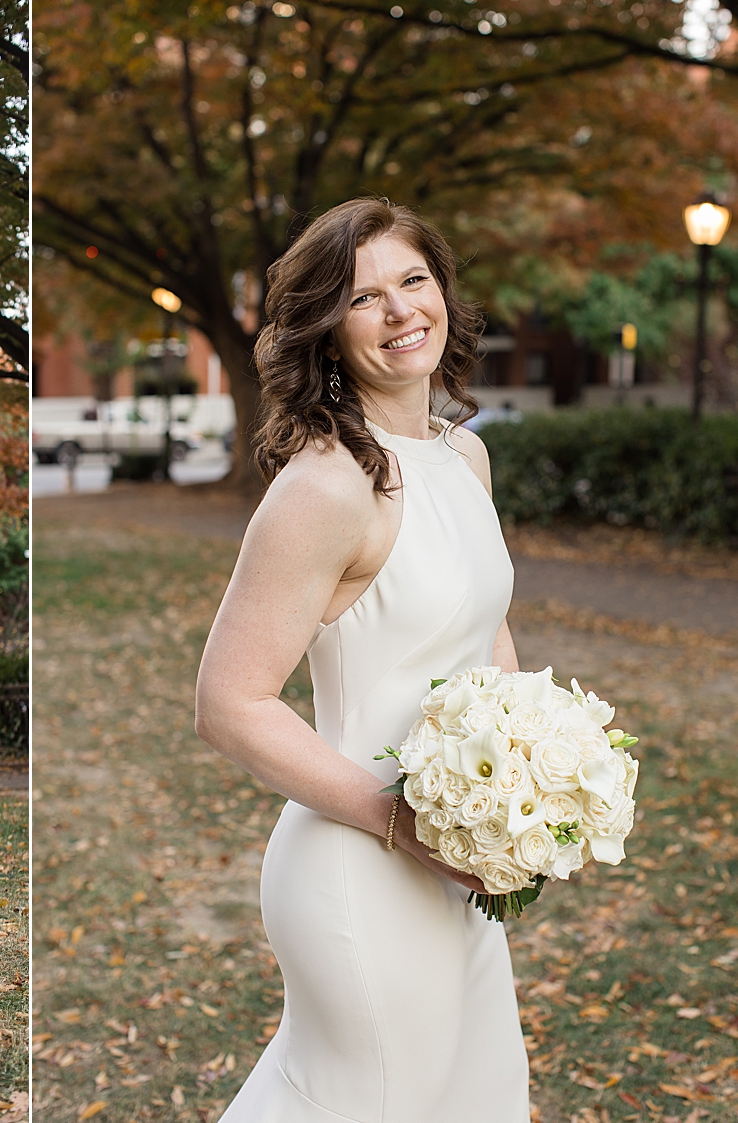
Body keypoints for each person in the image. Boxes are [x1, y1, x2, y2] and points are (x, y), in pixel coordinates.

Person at [194, 199, 528, 1122]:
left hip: (458, 859)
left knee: (474, 1096)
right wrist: (397, 823)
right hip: (360, 866)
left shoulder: (466, 458)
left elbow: (485, 633)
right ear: (326, 333)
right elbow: (229, 702)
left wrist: (529, 780)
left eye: (413, 281)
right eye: (362, 297)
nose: (400, 312)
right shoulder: (329, 485)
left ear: (445, 294)